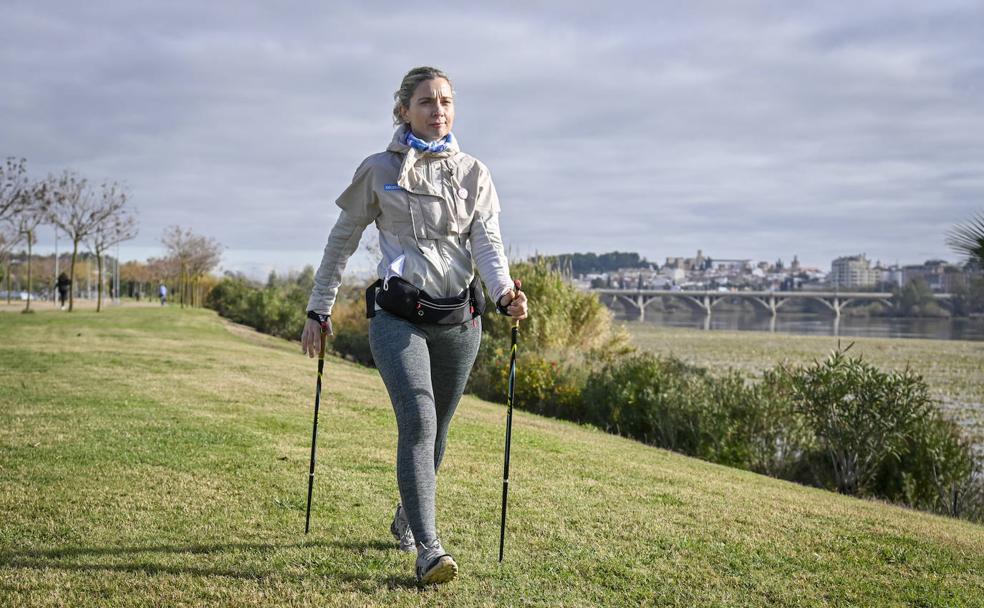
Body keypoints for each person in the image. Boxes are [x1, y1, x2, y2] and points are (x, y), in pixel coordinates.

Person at [301, 66, 528, 586]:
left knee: (439, 432)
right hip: (398, 317)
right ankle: (429, 549)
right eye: (426, 101)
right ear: (403, 109)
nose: (438, 110)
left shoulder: (475, 173)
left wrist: (504, 294)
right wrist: (320, 308)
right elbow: (341, 242)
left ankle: (406, 514)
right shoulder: (379, 168)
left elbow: (488, 246)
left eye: (446, 101)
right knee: (420, 423)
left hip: (459, 321)